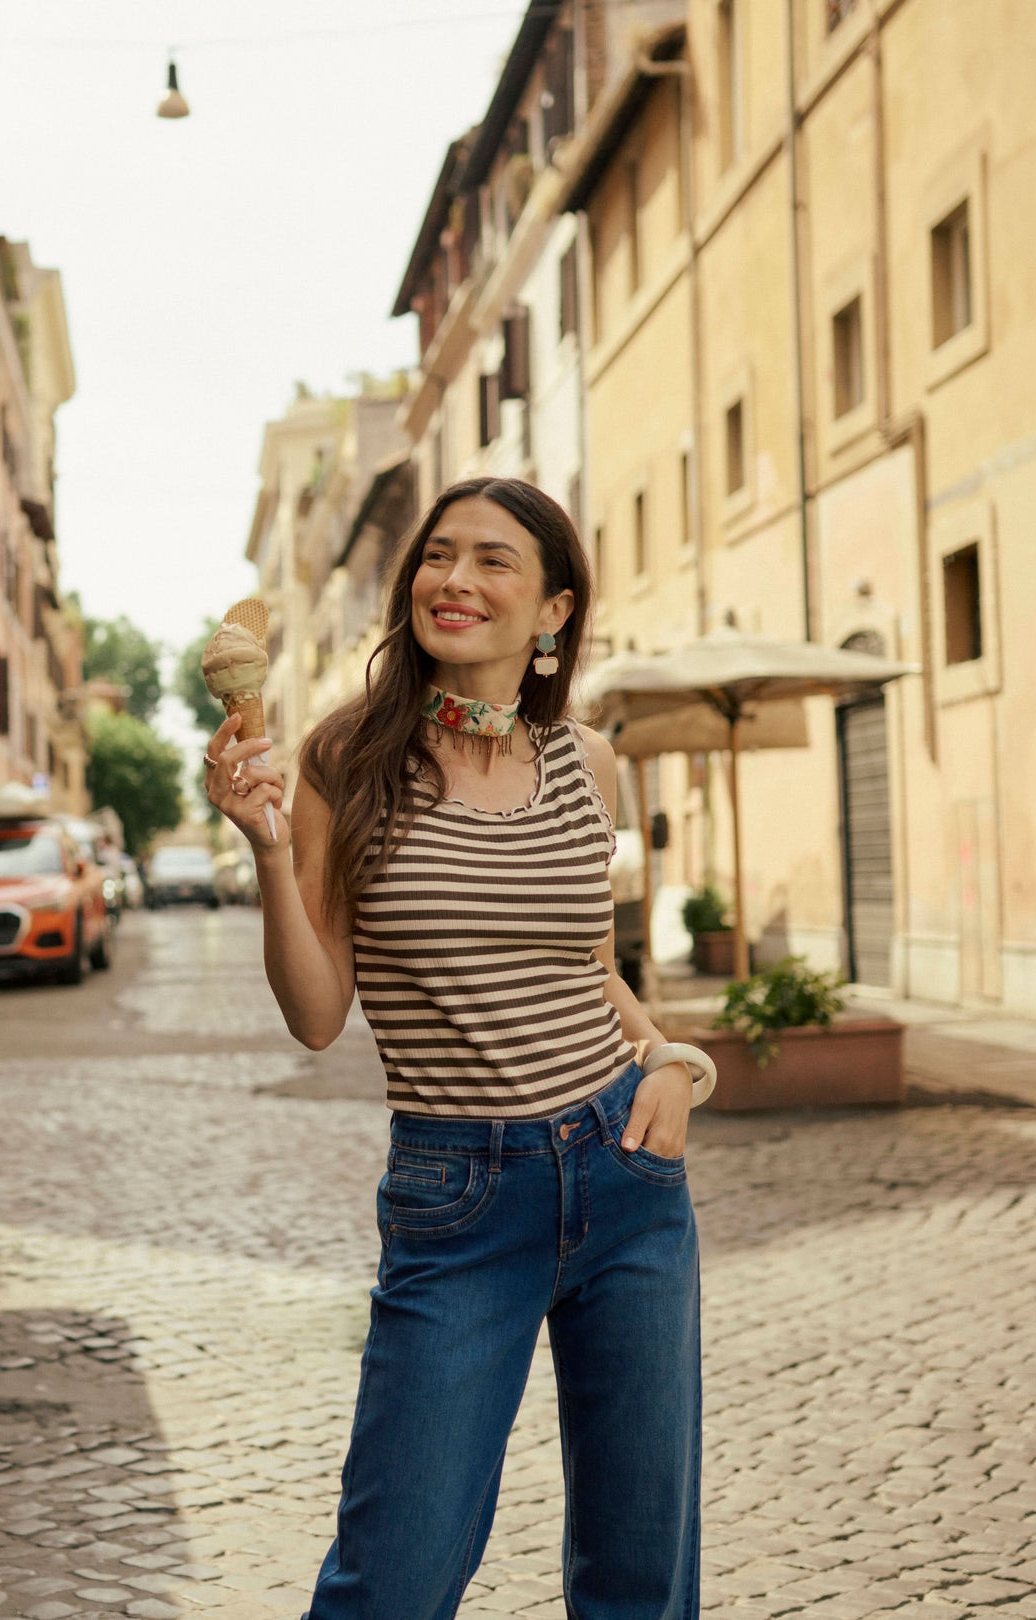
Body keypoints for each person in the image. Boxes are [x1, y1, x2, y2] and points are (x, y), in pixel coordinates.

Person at [204, 477, 707, 1619]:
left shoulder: (590, 762)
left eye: (492, 562)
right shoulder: (346, 759)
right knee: (394, 1576)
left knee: (642, 1571)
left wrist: (676, 1058)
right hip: (458, 1191)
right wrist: (270, 856)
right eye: (438, 556)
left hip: (627, 1175)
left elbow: (590, 967)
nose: (453, 580)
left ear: (553, 613)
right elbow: (320, 1012)